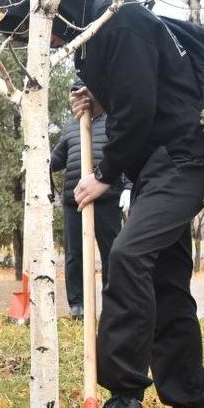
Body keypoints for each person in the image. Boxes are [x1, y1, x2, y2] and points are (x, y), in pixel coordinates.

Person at [0, 0, 204, 408]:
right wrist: (97, 99)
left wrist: (104, 175)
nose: (42, 42)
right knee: (165, 280)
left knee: (129, 256)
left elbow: (138, 109)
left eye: (33, 31)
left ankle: (123, 397)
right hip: (159, 166)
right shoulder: (94, 38)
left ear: (48, 12)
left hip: (184, 158)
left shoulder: (120, 23)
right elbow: (137, 93)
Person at [50, 81, 129, 319]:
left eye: (83, 93)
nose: (79, 99)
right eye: (74, 94)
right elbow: (57, 159)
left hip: (107, 197)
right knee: (74, 255)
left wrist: (127, 188)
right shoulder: (70, 127)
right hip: (75, 200)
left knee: (111, 253)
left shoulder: (112, 122)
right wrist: (37, 157)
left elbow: (123, 156)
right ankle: (78, 304)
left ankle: (112, 301)